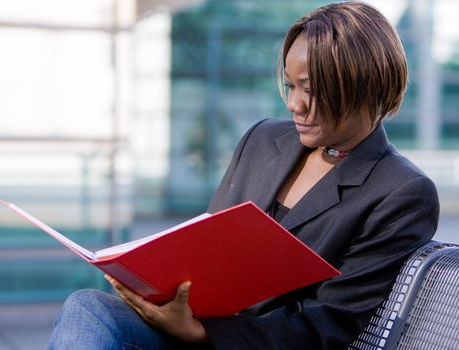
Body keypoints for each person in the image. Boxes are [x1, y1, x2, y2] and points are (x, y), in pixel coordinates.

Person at [48, 2, 439, 349]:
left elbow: (329, 324)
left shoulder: (401, 192)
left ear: (365, 86)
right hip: (192, 325)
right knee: (89, 306)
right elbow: (205, 249)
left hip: (243, 342)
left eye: (312, 89)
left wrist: (203, 334)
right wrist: (155, 287)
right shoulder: (264, 139)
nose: (294, 104)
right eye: (290, 85)